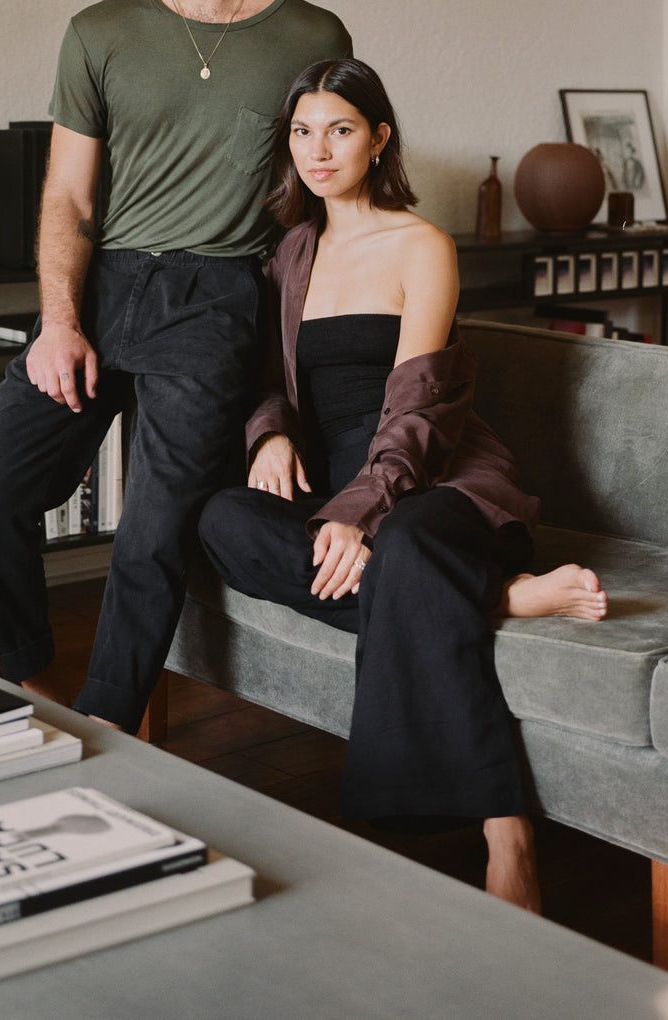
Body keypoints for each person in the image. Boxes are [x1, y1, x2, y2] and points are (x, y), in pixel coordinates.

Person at [0, 0, 353, 734]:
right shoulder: (98, 31)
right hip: (103, 290)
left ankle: (102, 737)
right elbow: (69, 198)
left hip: (218, 299)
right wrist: (58, 322)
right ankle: (34, 689)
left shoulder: (312, 34)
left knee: (151, 538)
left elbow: (333, 174)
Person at [198, 58, 606, 911]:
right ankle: (496, 598)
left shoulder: (422, 244)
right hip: (335, 496)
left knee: (414, 543)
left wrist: (357, 514)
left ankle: (508, 832)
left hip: (434, 478)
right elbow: (267, 376)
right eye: (303, 132)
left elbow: (420, 407)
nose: (319, 150)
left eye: (340, 130)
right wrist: (270, 432)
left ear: (378, 138)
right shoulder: (292, 252)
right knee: (221, 520)